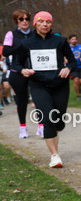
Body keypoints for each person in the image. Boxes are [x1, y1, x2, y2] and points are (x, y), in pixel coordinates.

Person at [9, 11, 77, 167]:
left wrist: (68, 69)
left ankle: (55, 134)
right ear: (35, 23)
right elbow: (16, 64)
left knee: (58, 121)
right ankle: (55, 156)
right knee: (47, 118)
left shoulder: (60, 41)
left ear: (51, 24)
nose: (45, 24)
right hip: (38, 85)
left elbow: (73, 62)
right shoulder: (26, 43)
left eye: (48, 21)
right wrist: (22, 71)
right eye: (41, 21)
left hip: (59, 85)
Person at [3, 9, 35, 137]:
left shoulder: (35, 34)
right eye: (21, 19)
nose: (25, 21)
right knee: (22, 100)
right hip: (17, 71)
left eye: (27, 19)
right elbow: (5, 52)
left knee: (39, 98)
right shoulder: (11, 34)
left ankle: (41, 126)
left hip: (34, 70)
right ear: (16, 21)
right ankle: (23, 128)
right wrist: (21, 45)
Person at [67, 34, 81, 100]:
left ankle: (78, 87)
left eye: (75, 39)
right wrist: (65, 59)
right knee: (76, 80)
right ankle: (78, 95)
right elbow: (63, 55)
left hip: (80, 67)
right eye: (72, 39)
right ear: (69, 40)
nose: (74, 40)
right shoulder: (67, 48)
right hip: (72, 67)